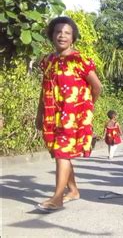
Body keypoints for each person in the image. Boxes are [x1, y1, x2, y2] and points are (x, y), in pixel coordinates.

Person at [34, 16, 102, 212]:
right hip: (50, 114)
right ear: (52, 35)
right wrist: (40, 114)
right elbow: (44, 88)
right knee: (58, 153)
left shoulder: (80, 60)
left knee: (62, 152)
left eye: (67, 33)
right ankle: (73, 190)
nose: (62, 36)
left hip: (72, 117)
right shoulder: (47, 61)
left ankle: (57, 198)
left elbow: (97, 87)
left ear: (73, 38)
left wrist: (84, 108)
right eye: (58, 32)